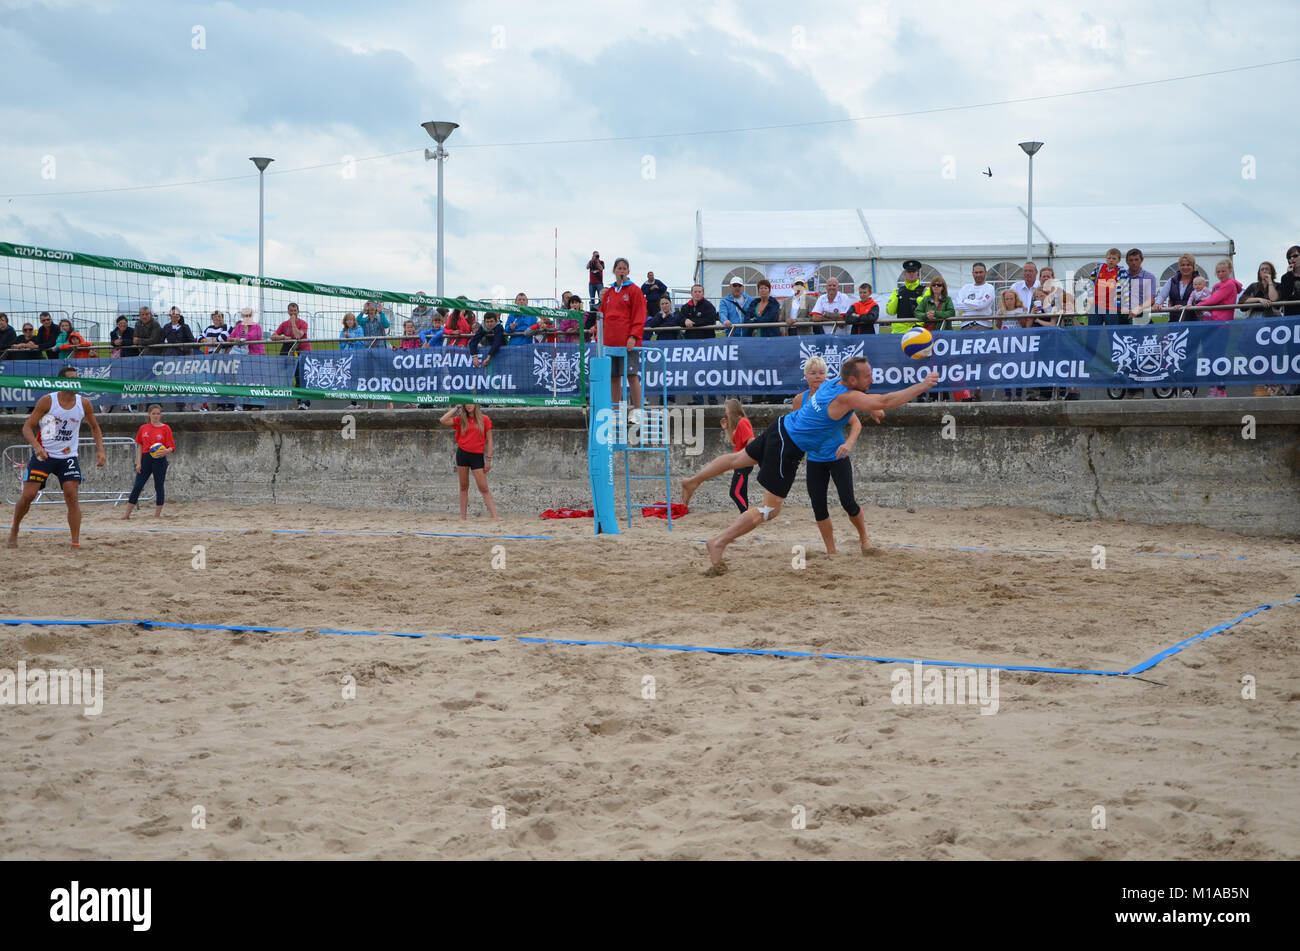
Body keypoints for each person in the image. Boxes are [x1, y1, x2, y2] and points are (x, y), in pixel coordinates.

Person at [683, 356, 937, 570]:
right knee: (770, 510)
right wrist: (923, 385)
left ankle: (693, 481)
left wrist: (868, 406)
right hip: (788, 447)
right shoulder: (846, 397)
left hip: (780, 427)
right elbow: (885, 402)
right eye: (867, 377)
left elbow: (862, 402)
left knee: (738, 458)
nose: (872, 379)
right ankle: (719, 541)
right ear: (851, 381)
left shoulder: (832, 385)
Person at [7, 365, 107, 549]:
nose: (76, 382)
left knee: (72, 496)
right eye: (72, 379)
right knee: (28, 495)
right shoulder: (48, 401)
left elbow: (95, 427)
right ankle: (14, 528)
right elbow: (27, 427)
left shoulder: (83, 403)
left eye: (77, 378)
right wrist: (37, 447)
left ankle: (75, 543)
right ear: (62, 382)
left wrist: (100, 450)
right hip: (44, 455)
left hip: (68, 457)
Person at [791, 357, 873, 555]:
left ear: (827, 375)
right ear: (806, 377)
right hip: (815, 460)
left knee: (848, 502)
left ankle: (864, 539)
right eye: (813, 373)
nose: (817, 376)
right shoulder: (799, 400)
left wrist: (848, 444)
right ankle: (831, 551)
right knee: (818, 505)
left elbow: (856, 423)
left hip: (838, 457)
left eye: (821, 373)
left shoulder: (833, 395)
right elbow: (798, 429)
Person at [599, 257, 648, 411]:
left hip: (627, 342)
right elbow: (602, 315)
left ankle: (638, 410)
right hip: (610, 342)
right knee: (613, 377)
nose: (621, 271)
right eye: (619, 268)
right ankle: (615, 409)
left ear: (628, 271)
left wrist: (633, 336)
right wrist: (597, 333)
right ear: (614, 271)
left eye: (624, 268)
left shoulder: (634, 290)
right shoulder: (609, 292)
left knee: (631, 376)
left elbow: (640, 315)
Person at [439, 403, 499, 521]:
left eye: (471, 403)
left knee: (483, 487)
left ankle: (495, 517)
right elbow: (443, 420)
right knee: (463, 486)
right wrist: (457, 408)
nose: (469, 406)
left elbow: (490, 440)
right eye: (466, 404)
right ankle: (463, 518)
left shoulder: (484, 419)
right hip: (462, 454)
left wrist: (488, 459)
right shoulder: (461, 419)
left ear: (476, 404)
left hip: (477, 456)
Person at [120, 404, 175, 519]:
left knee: (159, 486)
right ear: (149, 414)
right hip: (146, 459)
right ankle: (126, 515)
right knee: (137, 486)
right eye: (153, 413)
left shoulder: (166, 428)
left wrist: (166, 451)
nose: (156, 416)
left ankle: (157, 516)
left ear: (161, 415)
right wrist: (138, 463)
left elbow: (172, 447)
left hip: (160, 460)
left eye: (158, 414)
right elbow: (139, 446)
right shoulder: (143, 428)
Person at [273, 302, 312, 409]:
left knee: (301, 377)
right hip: (290, 352)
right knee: (289, 376)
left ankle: (304, 402)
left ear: (298, 312)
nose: (293, 313)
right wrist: (284, 338)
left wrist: (293, 323)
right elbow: (273, 336)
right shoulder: (284, 324)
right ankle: (290, 400)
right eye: (291, 311)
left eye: (295, 311)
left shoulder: (303, 323)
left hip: (303, 352)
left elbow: (298, 336)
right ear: (288, 312)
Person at [719, 398, 755, 512]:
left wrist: (746, 455)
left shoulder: (743, 422)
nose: (726, 412)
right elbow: (734, 442)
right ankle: (745, 514)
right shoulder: (739, 423)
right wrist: (726, 429)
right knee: (741, 491)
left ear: (732, 410)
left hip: (743, 462)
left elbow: (751, 440)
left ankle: (745, 514)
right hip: (740, 461)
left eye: (727, 409)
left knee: (734, 492)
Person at [1087, 249, 1126, 325]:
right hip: (1096, 304)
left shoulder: (1121, 271)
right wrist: (1090, 296)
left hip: (1112, 306)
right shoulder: (1098, 268)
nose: (1111, 260)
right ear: (1106, 259)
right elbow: (1090, 283)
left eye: (1114, 258)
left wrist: (1124, 305)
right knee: (1093, 330)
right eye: (1109, 258)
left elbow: (1125, 288)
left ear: (1119, 260)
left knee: (1112, 331)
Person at [886, 260, 926, 333]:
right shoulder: (898, 291)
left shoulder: (925, 291)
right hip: (898, 331)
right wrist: (897, 297)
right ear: (905, 274)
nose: (911, 274)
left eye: (913, 272)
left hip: (917, 331)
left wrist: (918, 325)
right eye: (909, 272)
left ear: (918, 274)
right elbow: (890, 311)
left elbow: (927, 310)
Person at [955, 263, 997, 330]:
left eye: (981, 272)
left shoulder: (989, 288)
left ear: (986, 273)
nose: (978, 275)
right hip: (965, 325)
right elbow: (957, 306)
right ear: (972, 273)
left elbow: (981, 305)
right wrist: (977, 304)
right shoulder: (965, 287)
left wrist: (965, 301)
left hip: (983, 325)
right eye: (976, 272)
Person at [1280, 246, 1300, 317]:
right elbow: (1286, 296)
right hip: (1292, 315)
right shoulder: (1285, 277)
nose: (1292, 258)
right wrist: (1289, 274)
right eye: (1289, 257)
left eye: (1295, 256)